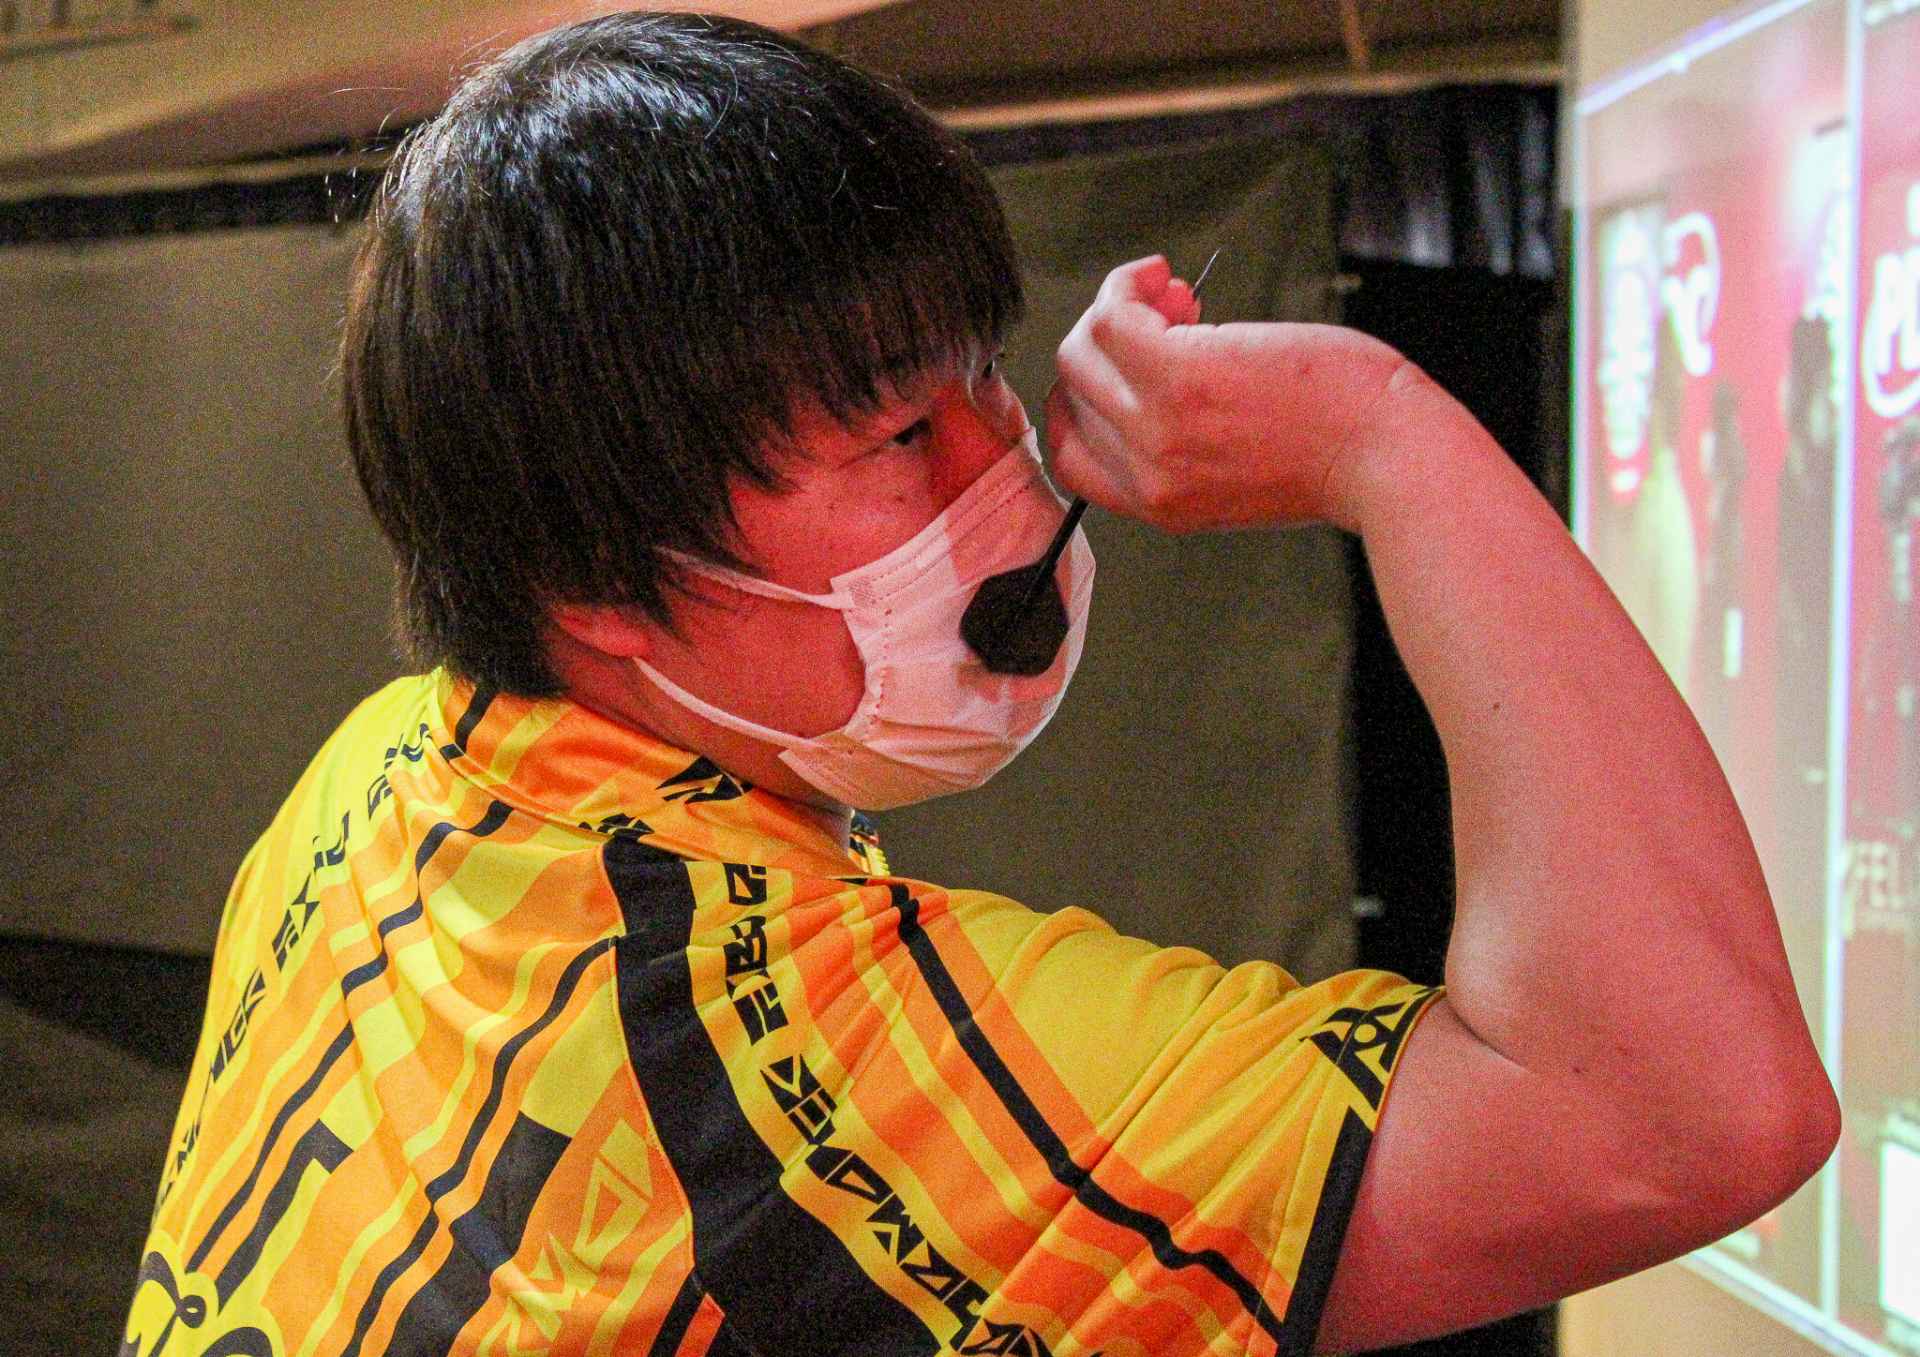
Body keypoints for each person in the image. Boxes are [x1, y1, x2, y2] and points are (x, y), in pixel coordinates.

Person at [123, 12, 1839, 1356]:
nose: (1007, 469)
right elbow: (1681, 1110)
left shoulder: (385, 770)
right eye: (896, 433)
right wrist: (1391, 442)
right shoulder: (773, 1059)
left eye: (983, 380)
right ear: (596, 581)